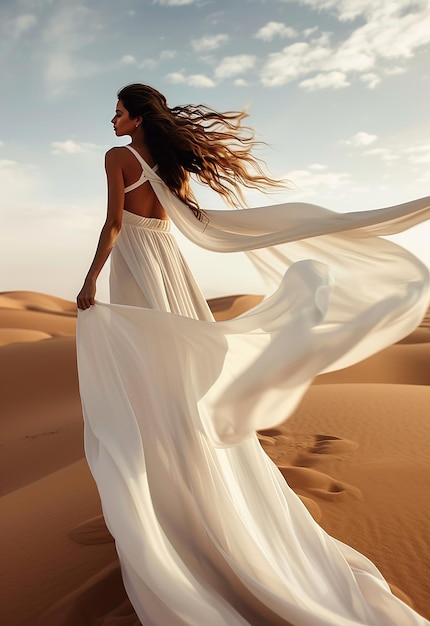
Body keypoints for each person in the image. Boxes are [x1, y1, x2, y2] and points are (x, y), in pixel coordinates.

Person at [76, 83, 430, 625]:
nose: (113, 120)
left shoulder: (117, 158)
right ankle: (201, 492)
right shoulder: (173, 167)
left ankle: (180, 510)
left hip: (140, 274)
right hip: (172, 272)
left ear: (140, 118)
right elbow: (184, 223)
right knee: (184, 389)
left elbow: (115, 224)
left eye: (119, 112)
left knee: (156, 388)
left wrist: (89, 282)